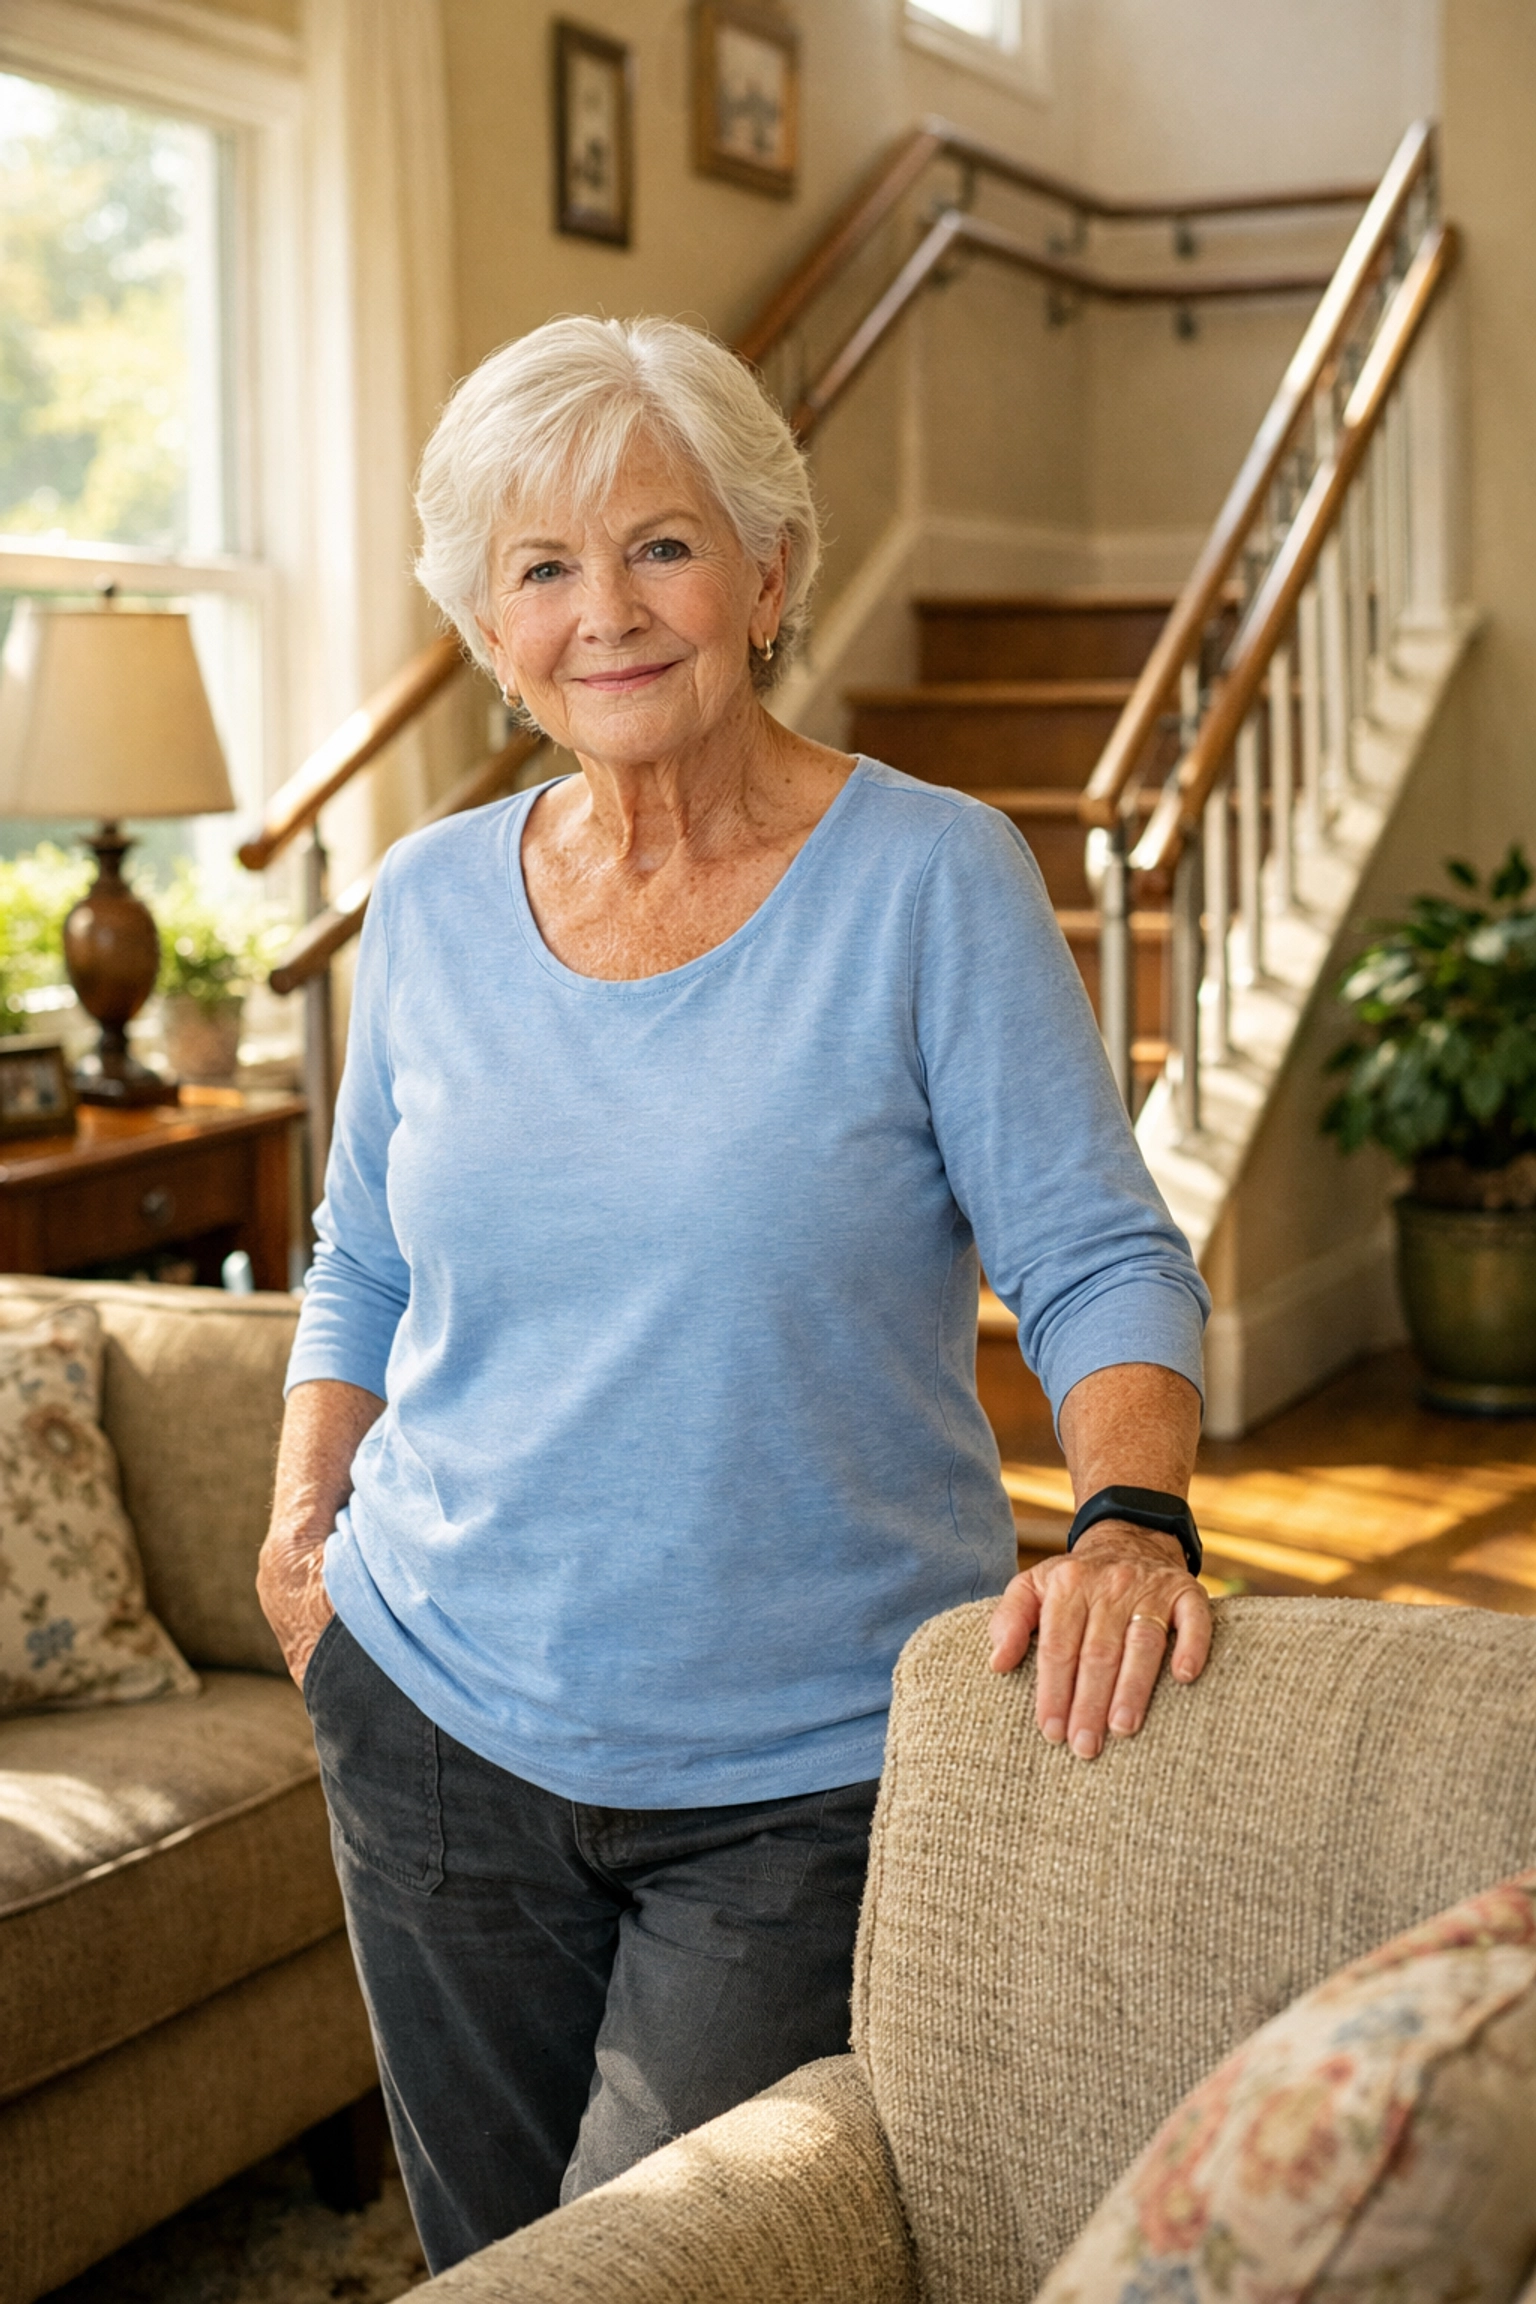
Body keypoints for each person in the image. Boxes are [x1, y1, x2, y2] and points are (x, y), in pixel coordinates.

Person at [257, 315, 1211, 2274]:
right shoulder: (429, 901)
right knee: (490, 2260)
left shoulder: (936, 880)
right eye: (541, 567)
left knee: (670, 2268)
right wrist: (304, 1547)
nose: (605, 611)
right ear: (488, 624)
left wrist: (1129, 1515)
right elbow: (360, 1255)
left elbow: (1098, 1252)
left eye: (660, 544)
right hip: (431, 1717)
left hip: (805, 1776)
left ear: (769, 571)